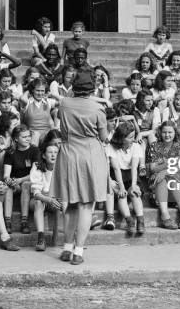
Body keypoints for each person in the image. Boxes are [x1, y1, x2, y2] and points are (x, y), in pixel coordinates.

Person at [50, 69, 109, 265]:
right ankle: (78, 251)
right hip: (89, 154)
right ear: (92, 88)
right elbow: (103, 136)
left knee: (71, 203)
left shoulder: (65, 103)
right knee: (86, 205)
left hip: (68, 153)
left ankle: (66, 248)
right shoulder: (97, 108)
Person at [146, 121, 180, 229]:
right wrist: (170, 163)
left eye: (170, 132)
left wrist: (165, 170)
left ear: (175, 133)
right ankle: (165, 216)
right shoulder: (155, 146)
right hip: (157, 184)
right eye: (164, 132)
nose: (167, 135)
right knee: (161, 179)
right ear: (160, 132)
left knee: (172, 180)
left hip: (174, 181)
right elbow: (152, 168)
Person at [106, 122, 146, 236]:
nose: (133, 139)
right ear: (122, 138)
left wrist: (133, 184)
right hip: (117, 175)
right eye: (130, 137)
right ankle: (130, 221)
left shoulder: (136, 147)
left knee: (134, 194)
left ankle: (140, 221)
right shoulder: (111, 148)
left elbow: (134, 167)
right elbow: (116, 168)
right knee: (122, 196)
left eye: (134, 136)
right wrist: (122, 187)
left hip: (131, 175)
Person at [3, 125, 39, 234]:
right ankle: (7, 222)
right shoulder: (10, 152)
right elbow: (6, 175)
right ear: (16, 139)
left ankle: (24, 221)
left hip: (30, 183)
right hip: (16, 183)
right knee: (8, 187)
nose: (28, 139)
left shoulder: (35, 150)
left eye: (29, 136)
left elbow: (35, 174)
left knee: (25, 185)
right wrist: (9, 180)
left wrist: (20, 180)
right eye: (24, 137)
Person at [30, 141, 62, 251]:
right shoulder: (37, 166)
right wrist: (49, 199)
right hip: (39, 199)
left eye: (56, 152)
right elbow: (36, 193)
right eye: (50, 152)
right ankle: (41, 238)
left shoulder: (62, 168)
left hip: (55, 199)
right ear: (44, 155)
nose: (53, 155)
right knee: (39, 202)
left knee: (63, 202)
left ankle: (68, 239)